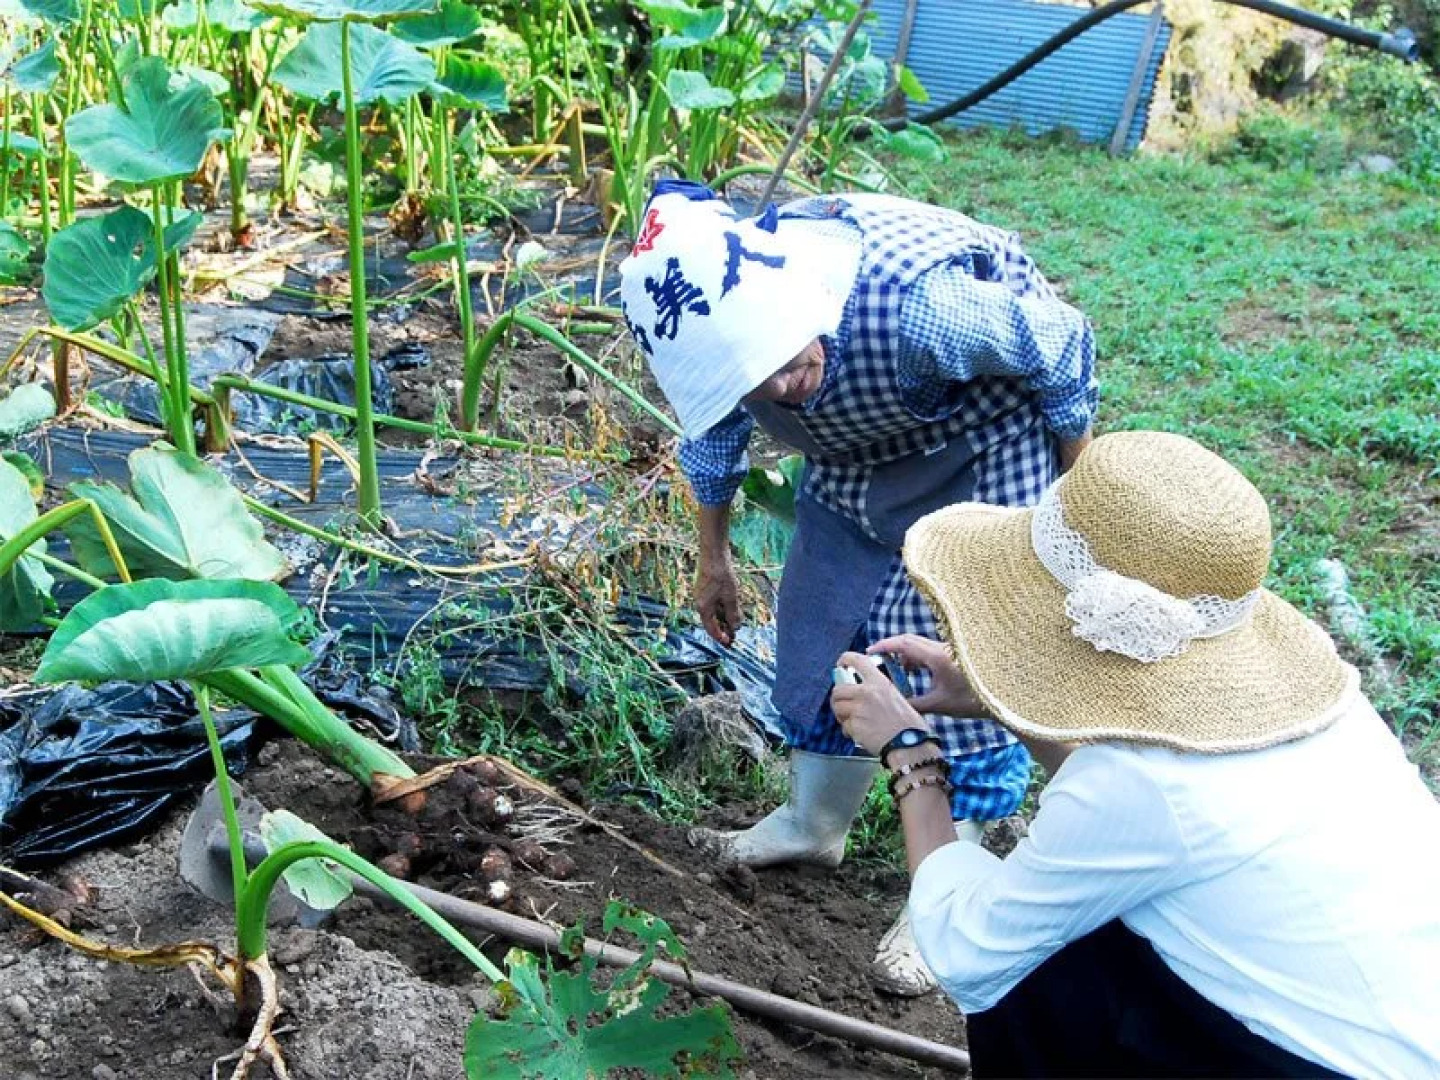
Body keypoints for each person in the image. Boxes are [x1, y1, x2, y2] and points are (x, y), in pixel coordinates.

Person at [830, 430, 1440, 1078]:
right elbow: (1145, 820)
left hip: (1329, 1066)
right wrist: (996, 697)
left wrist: (908, 755)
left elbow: (968, 951)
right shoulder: (1312, 712)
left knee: (1031, 968)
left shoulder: (1136, 785)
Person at [618, 180, 1098, 994]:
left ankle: (946, 888)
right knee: (822, 629)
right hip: (856, 462)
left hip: (984, 445)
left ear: (798, 302)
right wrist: (714, 559)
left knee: (965, 660)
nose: (774, 387)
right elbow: (713, 442)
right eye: (748, 378)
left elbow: (1062, 344)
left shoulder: (919, 310)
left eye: (779, 356)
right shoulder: (722, 345)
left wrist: (1080, 501)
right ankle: (813, 825)